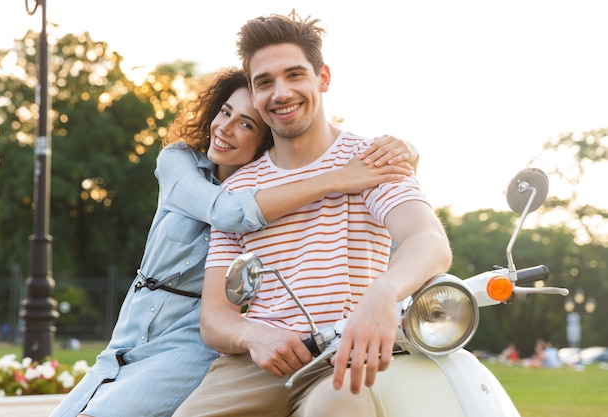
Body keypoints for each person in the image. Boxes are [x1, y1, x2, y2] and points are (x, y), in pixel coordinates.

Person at [50, 65, 419, 417]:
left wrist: (405, 152)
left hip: (195, 334)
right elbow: (226, 210)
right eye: (224, 112)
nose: (225, 128)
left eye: (246, 124)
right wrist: (339, 178)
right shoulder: (179, 162)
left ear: (264, 139)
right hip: (134, 322)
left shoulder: (274, 190)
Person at [173, 11, 452, 417]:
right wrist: (254, 336)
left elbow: (428, 241)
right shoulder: (237, 191)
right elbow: (215, 316)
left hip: (343, 358)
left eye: (294, 75)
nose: (281, 92)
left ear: (322, 78)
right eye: (264, 82)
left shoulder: (372, 158)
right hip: (256, 368)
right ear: (254, 92)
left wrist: (384, 292)